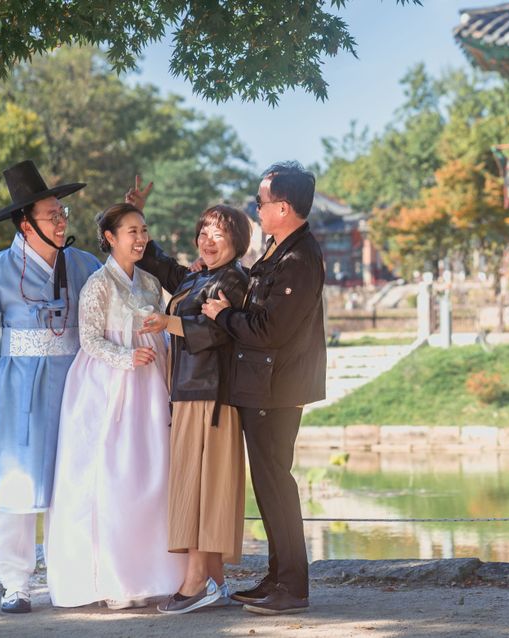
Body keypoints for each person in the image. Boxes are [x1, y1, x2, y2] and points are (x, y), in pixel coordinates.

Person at [0, 160, 101, 613]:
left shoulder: (83, 263)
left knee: (73, 482)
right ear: (25, 223)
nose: (62, 220)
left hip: (74, 385)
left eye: (62, 213)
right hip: (21, 390)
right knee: (16, 485)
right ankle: (15, 582)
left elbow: (112, 300)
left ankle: (73, 575)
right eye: (52, 215)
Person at [45, 203, 185, 610]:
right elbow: (88, 339)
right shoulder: (98, 284)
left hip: (150, 389)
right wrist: (126, 358)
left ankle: (153, 574)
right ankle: (115, 577)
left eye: (143, 230)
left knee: (152, 475)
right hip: (107, 388)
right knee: (113, 478)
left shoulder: (148, 281)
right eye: (131, 232)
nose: (140, 239)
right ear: (110, 237)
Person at [202, 161, 327, 616]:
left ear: (284, 208)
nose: (256, 209)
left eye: (261, 202)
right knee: (269, 484)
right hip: (263, 385)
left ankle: (293, 588)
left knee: (277, 483)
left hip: (278, 387)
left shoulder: (299, 257)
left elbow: (270, 329)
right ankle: (277, 578)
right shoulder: (279, 250)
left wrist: (224, 317)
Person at [135, 204, 252, 614]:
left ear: (237, 240)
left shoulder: (233, 279)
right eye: (204, 231)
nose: (208, 239)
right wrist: (137, 217)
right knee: (194, 484)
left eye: (219, 233)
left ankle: (198, 581)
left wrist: (165, 324)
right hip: (188, 392)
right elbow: (162, 266)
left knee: (204, 488)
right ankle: (216, 582)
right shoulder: (200, 276)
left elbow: (216, 331)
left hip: (211, 397)